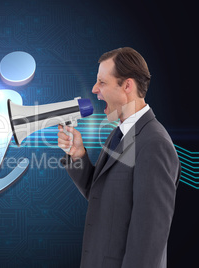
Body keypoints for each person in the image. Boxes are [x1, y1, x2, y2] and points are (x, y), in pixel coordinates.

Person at [58, 47, 181, 268]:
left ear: (127, 86)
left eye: (102, 82)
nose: (95, 89)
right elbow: (103, 196)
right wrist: (79, 156)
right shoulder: (120, 132)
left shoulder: (155, 144)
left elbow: (149, 239)